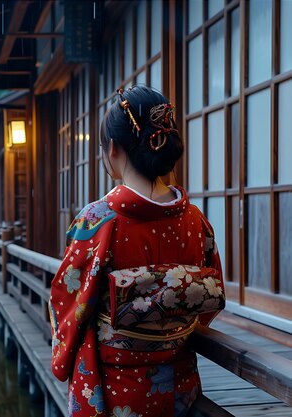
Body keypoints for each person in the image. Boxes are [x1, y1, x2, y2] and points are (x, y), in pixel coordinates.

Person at [48, 85, 225, 417]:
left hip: (115, 388)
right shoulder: (195, 220)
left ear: (112, 148)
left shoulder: (97, 221)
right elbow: (207, 299)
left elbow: (68, 302)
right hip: (180, 382)